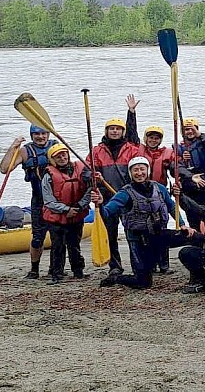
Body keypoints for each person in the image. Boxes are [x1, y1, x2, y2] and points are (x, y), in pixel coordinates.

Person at [100, 157, 184, 289]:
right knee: (143, 283)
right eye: (135, 170)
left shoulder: (159, 188)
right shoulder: (124, 193)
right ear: (130, 173)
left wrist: (183, 224)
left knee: (192, 238)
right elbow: (106, 213)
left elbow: (172, 206)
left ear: (148, 171)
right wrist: (99, 204)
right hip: (138, 240)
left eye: (142, 169)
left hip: (158, 235)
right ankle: (117, 278)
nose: (139, 173)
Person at [87, 95, 141, 285]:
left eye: (118, 129)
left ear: (122, 131)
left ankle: (138, 265)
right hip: (106, 199)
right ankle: (115, 266)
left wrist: (131, 113)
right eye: (112, 129)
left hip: (127, 198)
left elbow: (139, 172)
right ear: (107, 131)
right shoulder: (96, 151)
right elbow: (86, 171)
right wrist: (94, 178)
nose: (115, 131)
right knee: (110, 235)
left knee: (132, 233)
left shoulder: (132, 149)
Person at [0, 124, 58, 279]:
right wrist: (13, 147)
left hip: (58, 199)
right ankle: (34, 269)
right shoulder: (25, 151)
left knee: (57, 236)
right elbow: (4, 168)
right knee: (38, 237)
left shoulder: (56, 146)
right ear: (32, 135)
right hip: (39, 200)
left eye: (44, 133)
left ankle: (55, 268)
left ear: (48, 134)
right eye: (37, 134)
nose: (41, 137)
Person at [40, 143, 100, 284]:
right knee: (58, 247)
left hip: (76, 214)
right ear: (52, 160)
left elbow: (91, 188)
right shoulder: (48, 176)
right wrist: (67, 210)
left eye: (64, 154)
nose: (62, 158)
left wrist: (80, 206)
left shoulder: (81, 169)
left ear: (68, 154)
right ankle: (57, 274)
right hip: (57, 217)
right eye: (58, 156)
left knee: (74, 245)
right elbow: (48, 201)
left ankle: (78, 271)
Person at [140, 125, 178, 273]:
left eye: (156, 138)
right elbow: (130, 134)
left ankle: (164, 265)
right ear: (146, 138)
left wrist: (176, 168)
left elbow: (176, 169)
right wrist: (132, 113)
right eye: (151, 137)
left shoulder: (167, 154)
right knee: (145, 231)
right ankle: (151, 264)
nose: (153, 140)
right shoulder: (139, 151)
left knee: (161, 230)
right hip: (141, 195)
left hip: (159, 194)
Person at [177, 117, 205, 230]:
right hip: (190, 182)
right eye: (186, 129)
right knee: (192, 213)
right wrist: (182, 159)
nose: (190, 132)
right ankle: (196, 237)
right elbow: (175, 167)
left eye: (192, 129)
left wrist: (200, 135)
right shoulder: (179, 147)